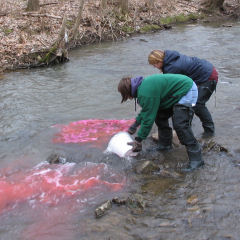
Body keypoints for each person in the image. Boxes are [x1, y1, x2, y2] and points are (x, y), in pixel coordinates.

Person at [118, 73, 203, 172]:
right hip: (174, 93)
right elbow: (146, 111)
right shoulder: (142, 88)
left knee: (180, 125)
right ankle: (165, 145)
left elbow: (148, 119)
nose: (128, 98)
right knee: (160, 116)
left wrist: (138, 140)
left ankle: (197, 160)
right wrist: (134, 125)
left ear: (127, 91)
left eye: (125, 95)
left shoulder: (145, 92)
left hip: (186, 90)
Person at [148, 50, 218, 138]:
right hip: (201, 73)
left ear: (159, 60)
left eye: (155, 64)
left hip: (207, 76)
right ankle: (187, 127)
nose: (155, 66)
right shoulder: (169, 59)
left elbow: (172, 92)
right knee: (187, 102)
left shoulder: (172, 68)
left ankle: (209, 132)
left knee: (197, 104)